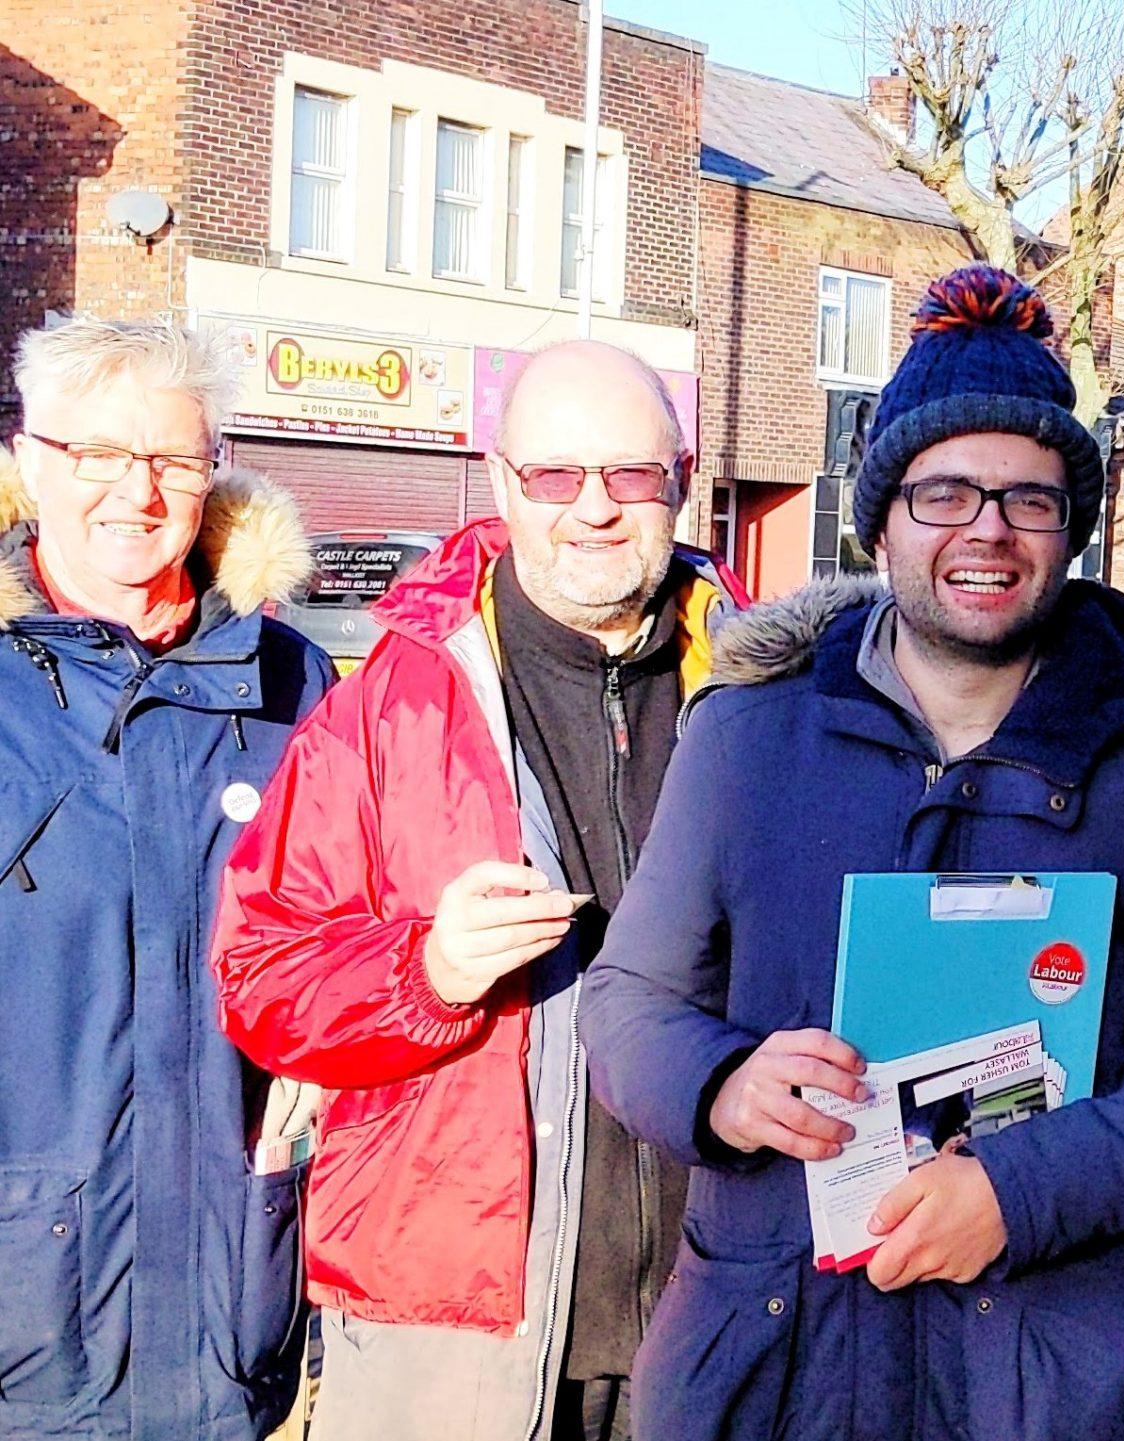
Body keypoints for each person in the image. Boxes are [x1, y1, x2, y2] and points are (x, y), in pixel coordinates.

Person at [579, 266, 1124, 1441]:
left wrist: (1016, 1192)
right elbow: (628, 999)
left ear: (1074, 529)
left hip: (1038, 1372)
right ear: (882, 517)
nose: (986, 530)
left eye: (1030, 499)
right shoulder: (751, 732)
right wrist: (722, 1086)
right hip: (774, 1353)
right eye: (944, 492)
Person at [208, 340, 742, 1441]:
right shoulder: (387, 705)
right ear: (501, 484)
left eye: (629, 475)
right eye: (555, 476)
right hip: (450, 1333)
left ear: (680, 479)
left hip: (718, 1313)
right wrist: (426, 970)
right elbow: (260, 978)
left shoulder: (767, 693)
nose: (592, 508)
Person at [0, 318, 331, 1440]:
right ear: (35, 459)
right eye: (98, 453)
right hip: (27, 1314)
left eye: (173, 462)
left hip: (233, 1291)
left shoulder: (294, 684)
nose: (135, 493)